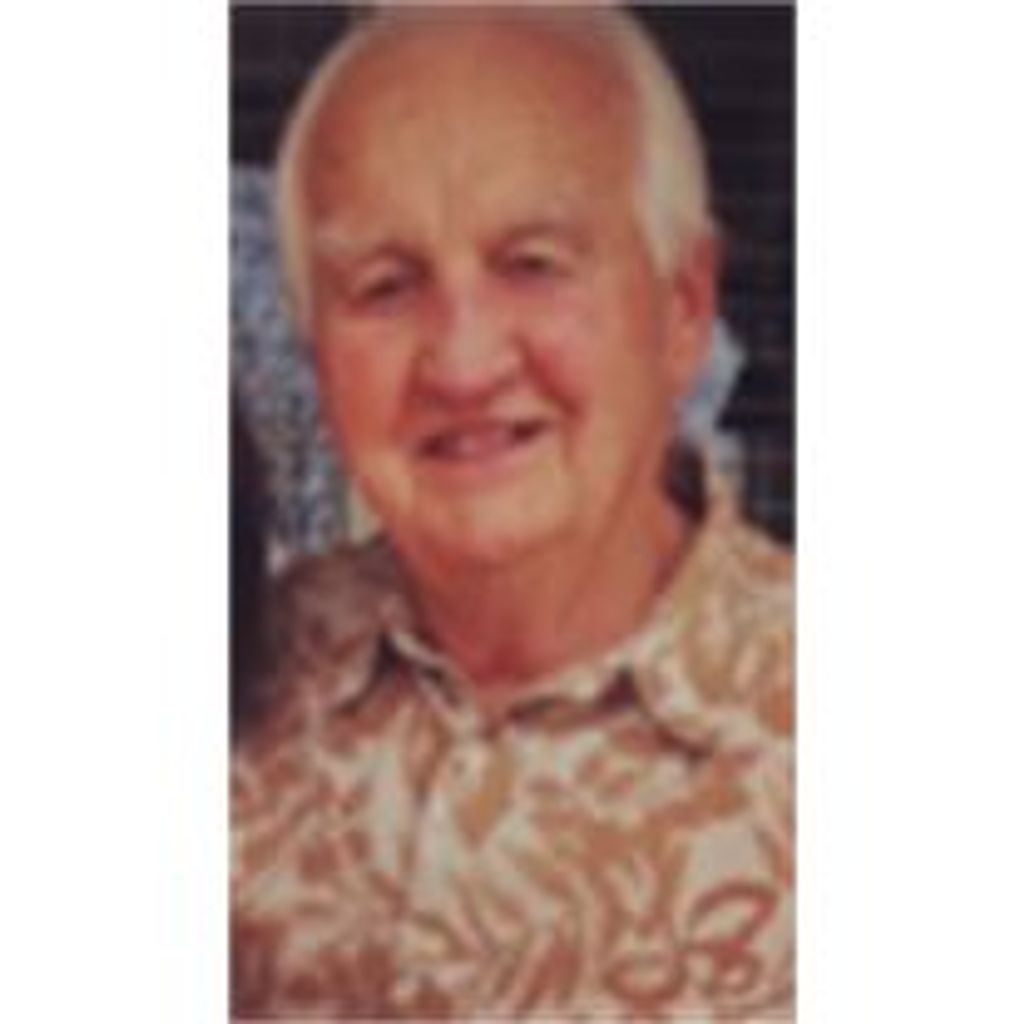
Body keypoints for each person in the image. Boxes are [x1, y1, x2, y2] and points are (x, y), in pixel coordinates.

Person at [231, 7, 793, 1019]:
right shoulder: (233, 681)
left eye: (533, 264)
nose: (462, 362)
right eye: (385, 287)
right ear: (318, 361)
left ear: (682, 308)